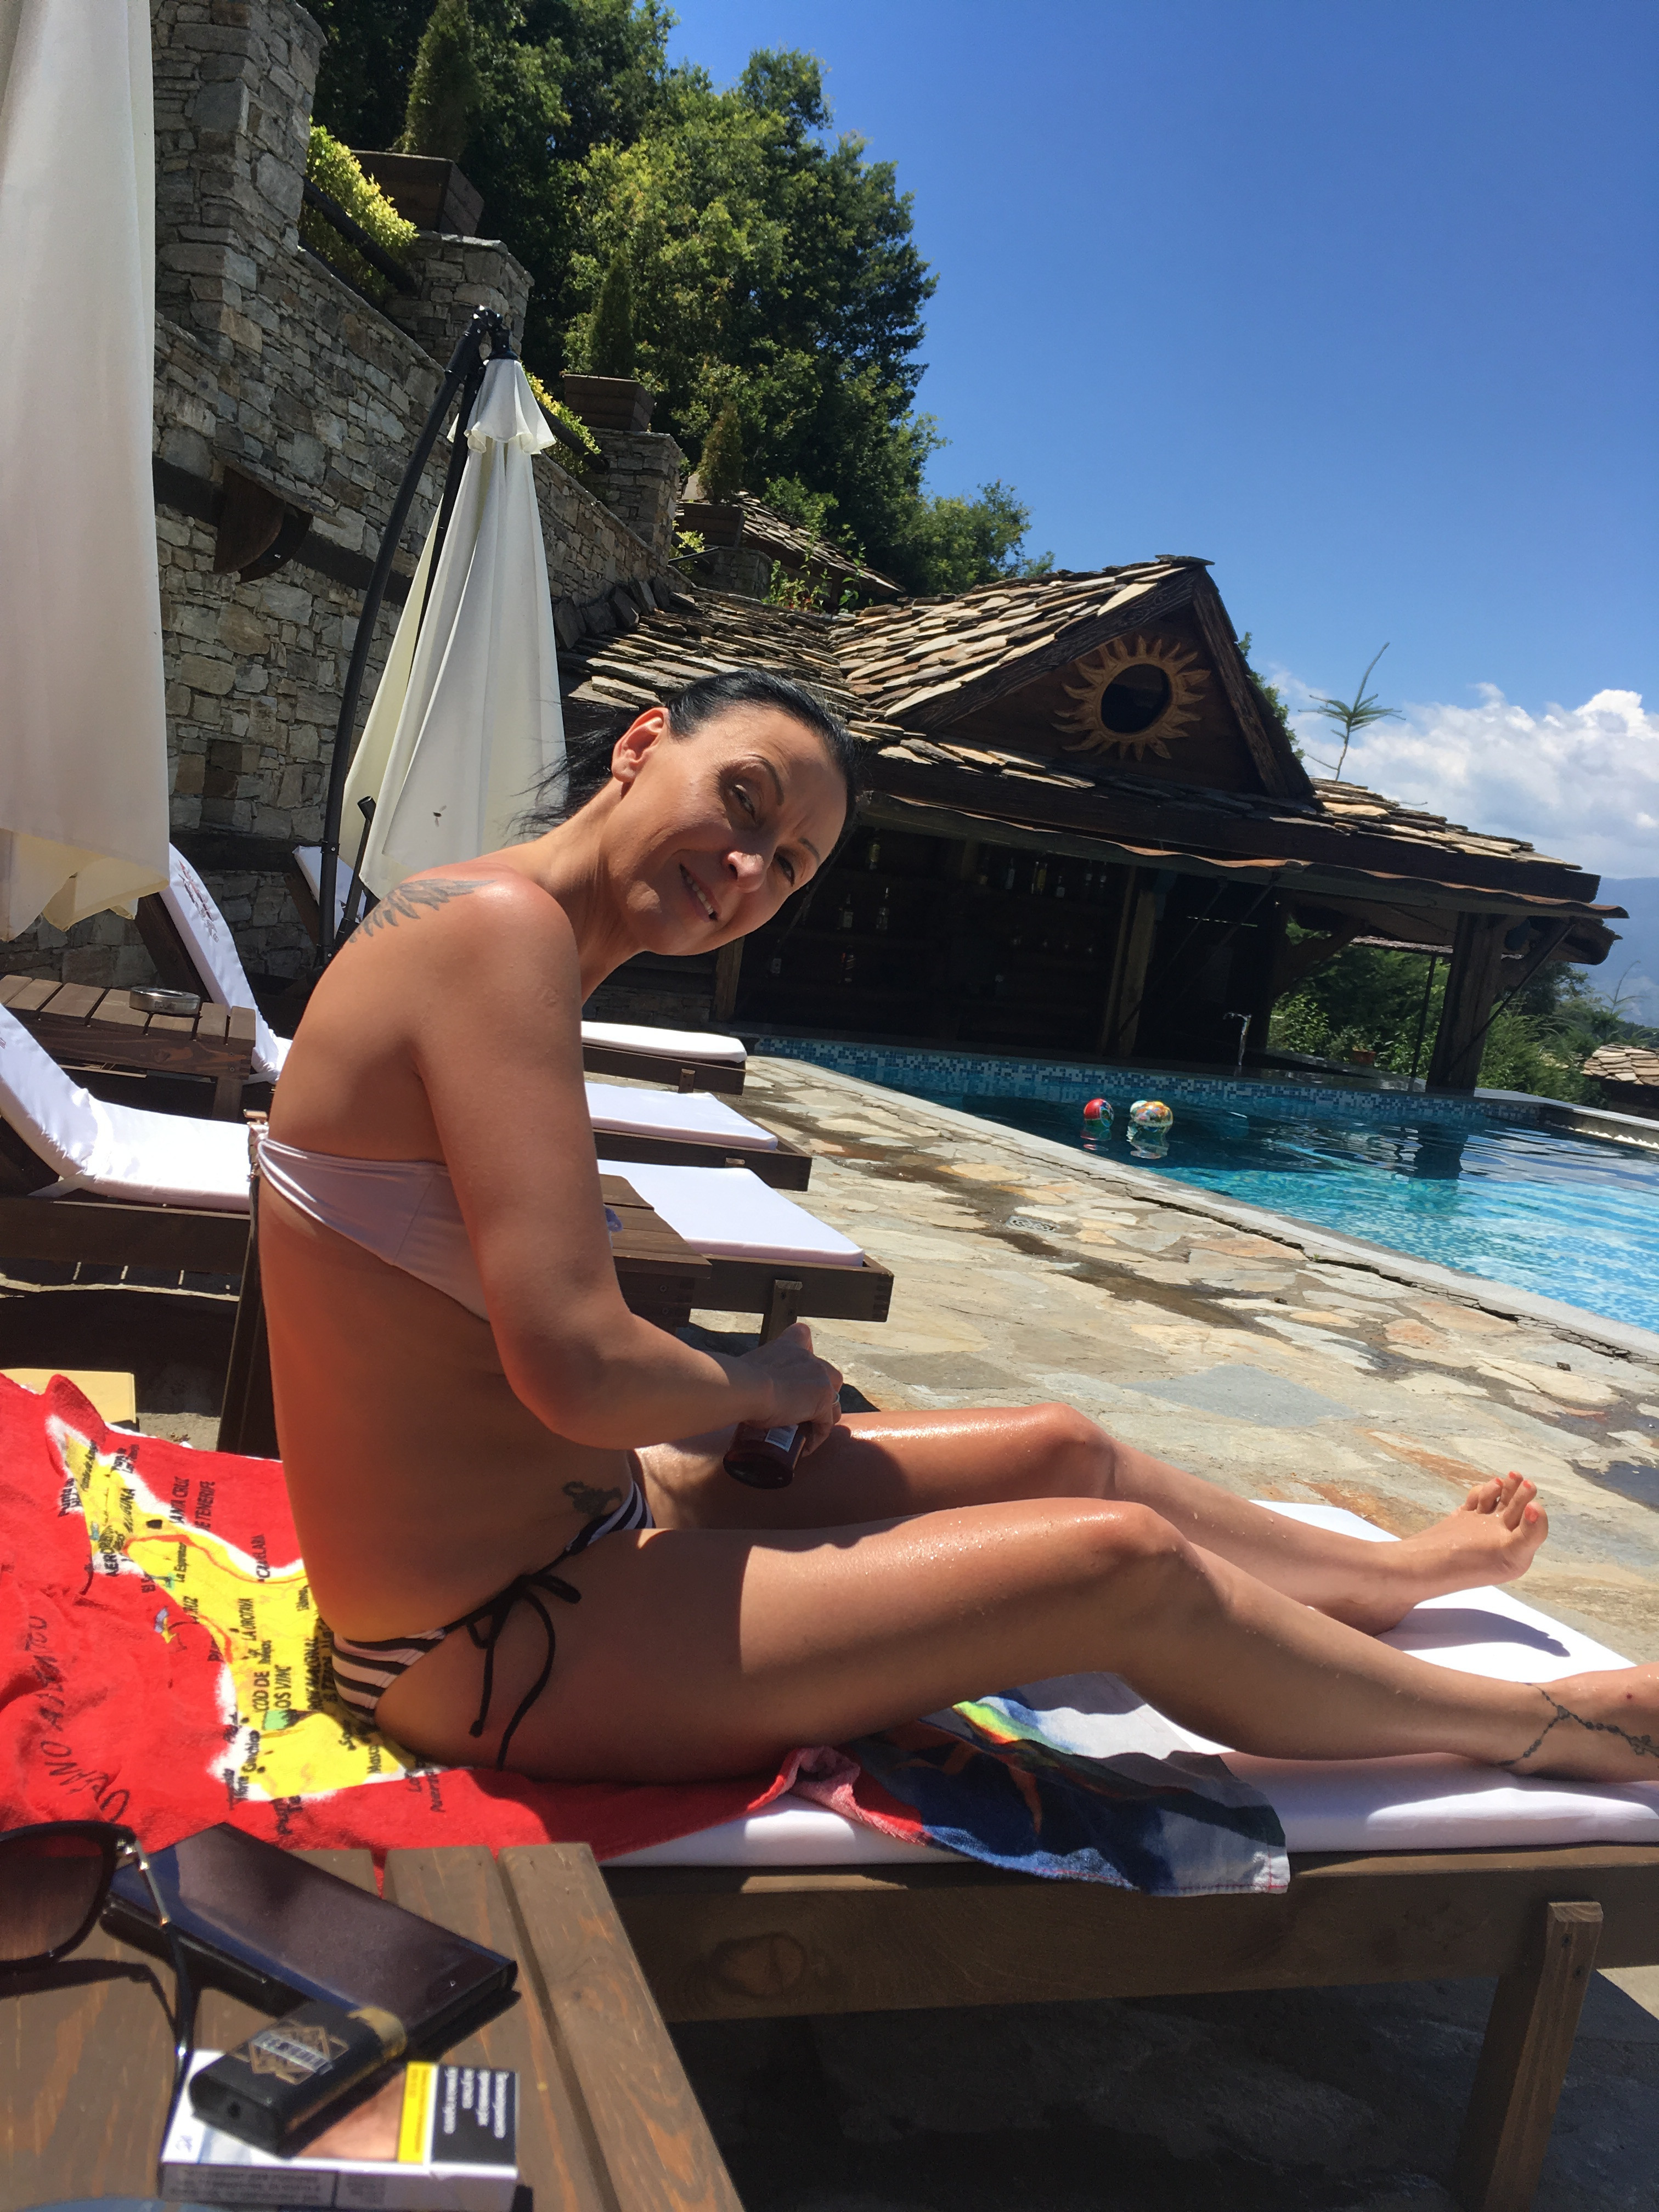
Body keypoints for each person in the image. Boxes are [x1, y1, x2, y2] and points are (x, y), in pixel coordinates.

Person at [261, 669, 1659, 1787]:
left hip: (595, 1517)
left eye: (789, 864)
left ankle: (1390, 1578)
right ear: (641, 743)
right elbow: (575, 1369)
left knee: (1061, 1447)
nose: (746, 866)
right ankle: (1539, 1726)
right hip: (488, 1637)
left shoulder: (495, 931)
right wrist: (763, 1384)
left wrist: (732, 1401)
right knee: (1116, 1563)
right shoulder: (498, 932)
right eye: (742, 799)